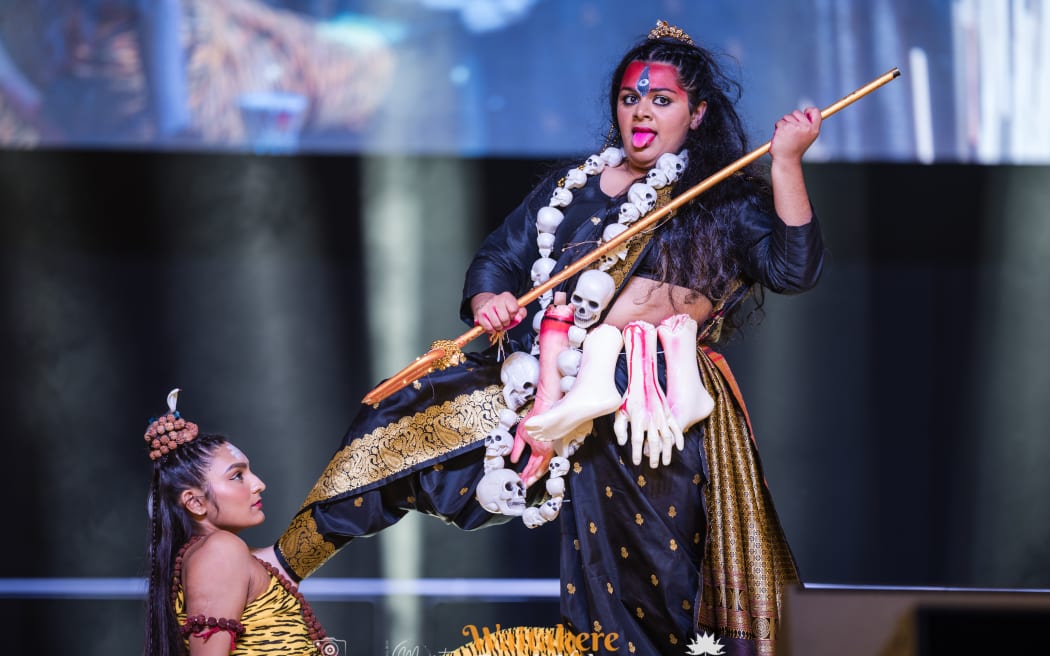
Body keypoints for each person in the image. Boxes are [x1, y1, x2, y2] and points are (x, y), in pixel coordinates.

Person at [258, 20, 824, 655]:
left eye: (661, 100)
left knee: (641, 586)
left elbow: (792, 269)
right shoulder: (571, 188)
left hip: (647, 402)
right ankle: (276, 572)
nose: (641, 111)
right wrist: (489, 298)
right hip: (538, 382)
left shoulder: (718, 196)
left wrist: (787, 163)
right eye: (630, 97)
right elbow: (499, 259)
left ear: (696, 115)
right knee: (399, 423)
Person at [144, 389, 328, 655]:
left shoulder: (225, 555)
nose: (259, 484)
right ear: (195, 502)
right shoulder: (220, 550)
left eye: (249, 471)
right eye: (237, 476)